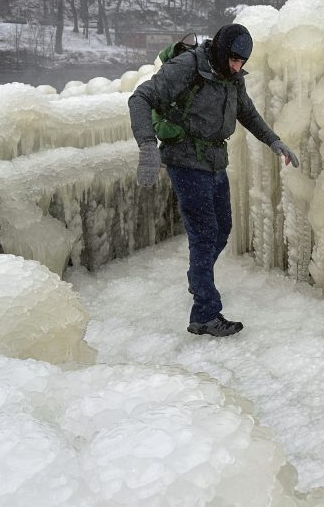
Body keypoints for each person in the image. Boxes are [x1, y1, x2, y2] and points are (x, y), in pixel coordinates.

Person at [128, 23, 299, 338]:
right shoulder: (188, 66)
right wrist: (148, 147)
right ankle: (205, 313)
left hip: (214, 160)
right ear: (221, 51)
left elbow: (247, 113)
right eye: (234, 59)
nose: (237, 67)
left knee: (223, 228)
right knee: (204, 234)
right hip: (185, 159)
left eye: (242, 63)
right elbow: (140, 98)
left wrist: (275, 142)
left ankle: (198, 277)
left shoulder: (233, 78)